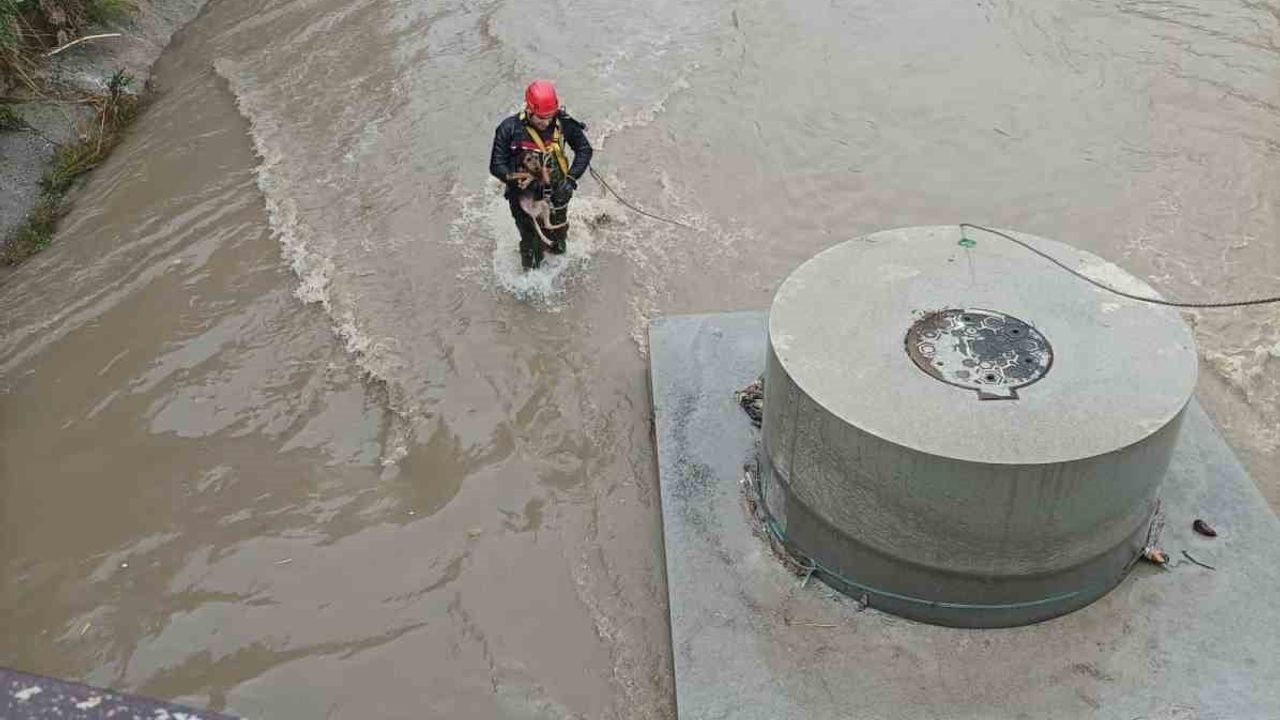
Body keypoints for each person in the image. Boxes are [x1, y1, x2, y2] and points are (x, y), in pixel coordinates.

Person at [489, 80, 593, 270]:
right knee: (531, 243)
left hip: (558, 190)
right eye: (541, 117)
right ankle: (530, 284)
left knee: (558, 238)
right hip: (523, 197)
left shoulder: (563, 123)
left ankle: (559, 265)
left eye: (550, 116)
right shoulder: (508, 128)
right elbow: (496, 166)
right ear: (529, 109)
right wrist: (520, 180)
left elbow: (584, 149)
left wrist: (570, 181)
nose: (546, 122)